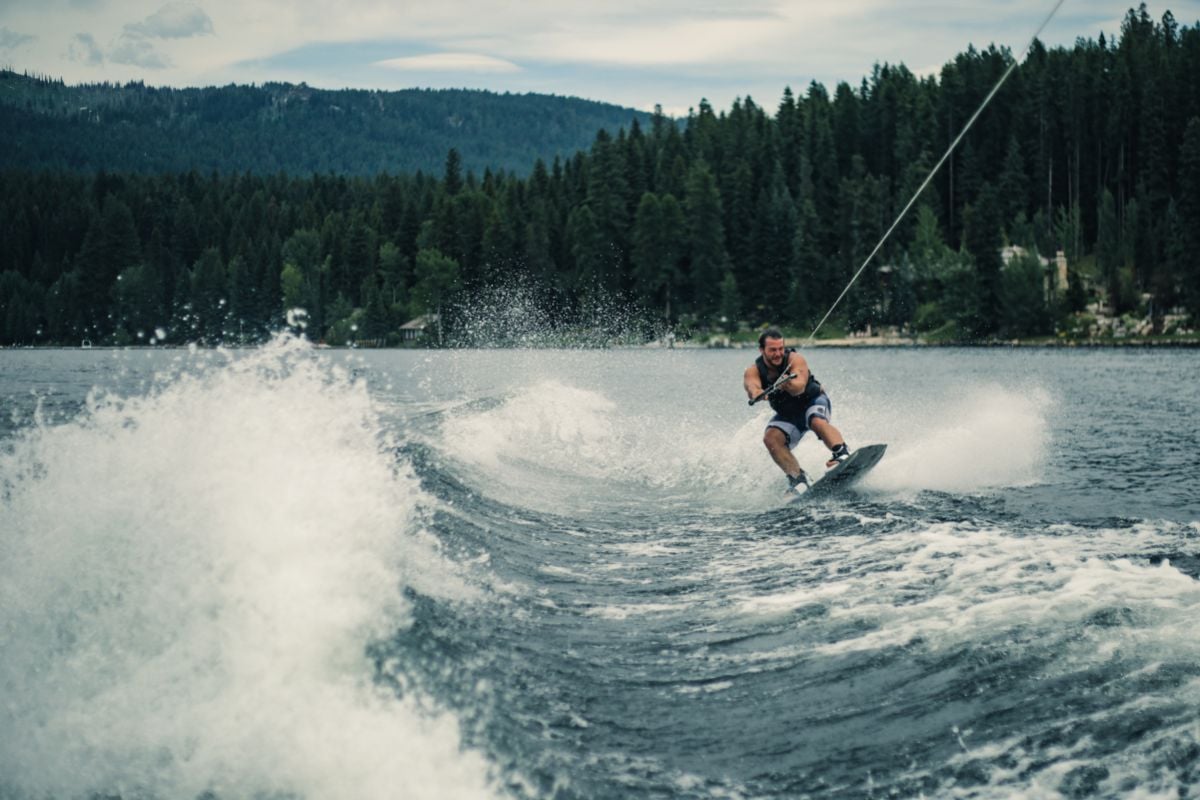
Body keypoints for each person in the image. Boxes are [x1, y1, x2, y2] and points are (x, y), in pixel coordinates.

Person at [743, 328, 850, 495]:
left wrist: (786, 384)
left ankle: (841, 453)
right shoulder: (753, 370)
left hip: (813, 401)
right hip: (789, 414)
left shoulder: (795, 359)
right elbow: (752, 388)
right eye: (772, 350)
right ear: (761, 350)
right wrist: (757, 393)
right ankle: (798, 478)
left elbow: (799, 388)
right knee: (771, 439)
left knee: (815, 420)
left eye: (780, 348)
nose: (778, 354)